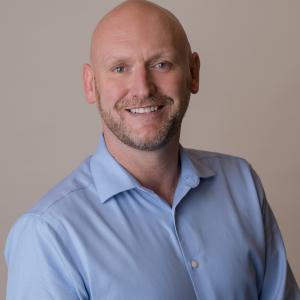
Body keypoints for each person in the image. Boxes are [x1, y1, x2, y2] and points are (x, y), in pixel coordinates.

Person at [5, 0, 300, 299]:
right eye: (120, 68)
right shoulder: (49, 234)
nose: (143, 88)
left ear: (193, 73)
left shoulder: (241, 184)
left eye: (161, 64)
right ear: (91, 85)